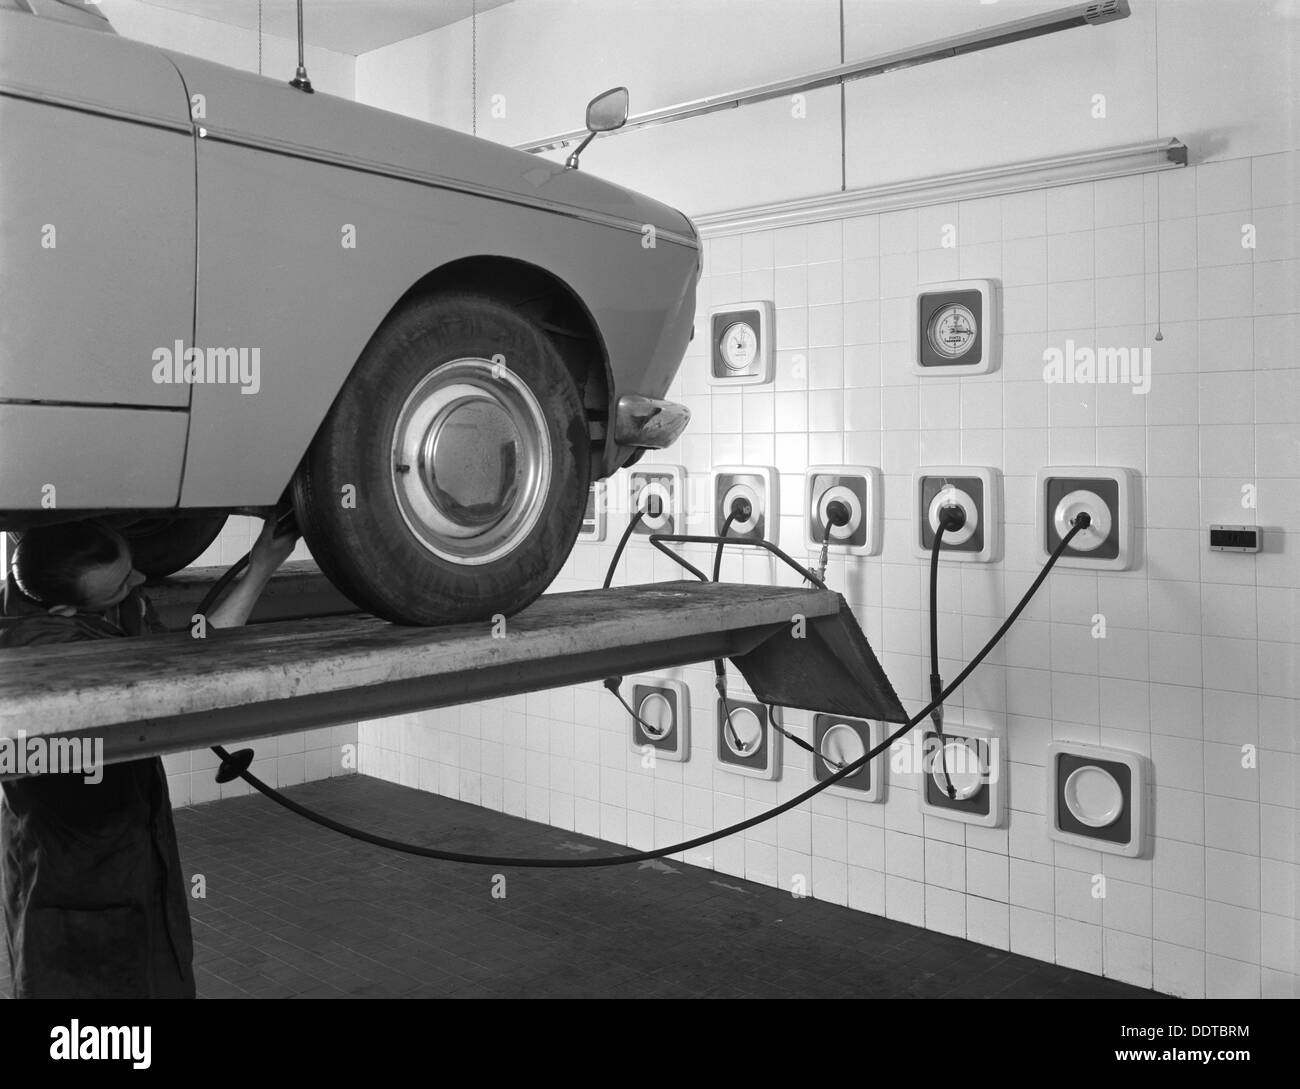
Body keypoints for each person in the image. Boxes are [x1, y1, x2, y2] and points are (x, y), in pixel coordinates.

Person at [0, 514, 299, 998]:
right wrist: (261, 568)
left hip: (132, 828)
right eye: (121, 584)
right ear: (62, 615)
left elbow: (188, 644)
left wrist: (263, 560)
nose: (139, 580)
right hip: (70, 857)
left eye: (131, 565)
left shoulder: (64, 584)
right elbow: (188, 672)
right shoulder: (40, 656)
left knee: (155, 969)